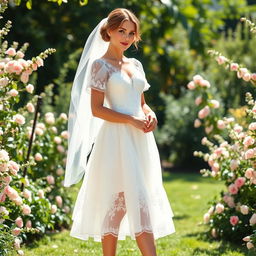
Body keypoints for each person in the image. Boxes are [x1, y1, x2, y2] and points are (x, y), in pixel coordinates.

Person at [64, 8, 175, 256]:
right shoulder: (100, 66)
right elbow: (96, 109)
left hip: (140, 141)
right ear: (109, 31)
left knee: (133, 201)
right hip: (116, 140)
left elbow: (141, 102)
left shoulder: (135, 65)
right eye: (121, 31)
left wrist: (150, 114)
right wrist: (130, 120)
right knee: (125, 202)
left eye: (131, 33)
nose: (126, 37)